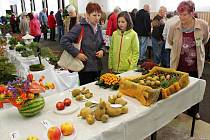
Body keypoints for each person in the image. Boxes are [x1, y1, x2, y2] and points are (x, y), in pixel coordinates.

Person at [168, 0, 209, 119]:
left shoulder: (203, 25)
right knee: (177, 90)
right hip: (178, 65)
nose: (181, 17)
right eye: (179, 14)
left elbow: (205, 40)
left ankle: (194, 111)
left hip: (195, 66)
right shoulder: (174, 26)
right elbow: (170, 41)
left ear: (192, 13)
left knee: (195, 90)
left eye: (184, 14)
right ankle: (176, 111)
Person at [60, 2, 105, 85]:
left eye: (99, 15)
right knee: (86, 92)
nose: (97, 18)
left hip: (97, 67)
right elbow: (64, 40)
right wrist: (77, 54)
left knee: (98, 90)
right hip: (85, 68)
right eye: (94, 15)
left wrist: (102, 50)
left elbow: (102, 43)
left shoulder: (98, 28)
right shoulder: (80, 27)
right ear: (87, 14)